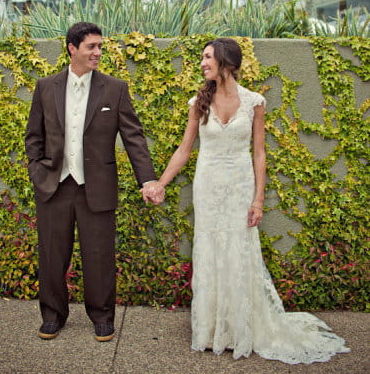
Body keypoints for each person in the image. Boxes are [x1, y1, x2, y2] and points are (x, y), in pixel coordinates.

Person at [157, 38, 349, 364]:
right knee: (211, 251)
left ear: (226, 62)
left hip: (240, 186)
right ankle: (211, 329)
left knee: (239, 252)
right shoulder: (198, 102)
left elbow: (259, 153)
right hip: (208, 187)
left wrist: (258, 200)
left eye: (207, 57)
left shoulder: (254, 102)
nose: (202, 63)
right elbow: (184, 150)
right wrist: (161, 183)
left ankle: (240, 328)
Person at [25, 22, 164, 341]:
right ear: (72, 48)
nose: (98, 52)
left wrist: (148, 179)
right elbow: (34, 135)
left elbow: (134, 137)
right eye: (92, 47)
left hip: (97, 186)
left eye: (100, 46)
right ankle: (52, 315)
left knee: (99, 256)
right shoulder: (46, 87)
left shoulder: (115, 88)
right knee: (51, 255)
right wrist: (37, 169)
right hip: (54, 186)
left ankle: (102, 317)